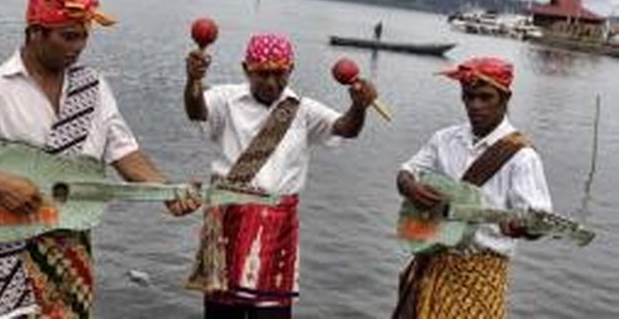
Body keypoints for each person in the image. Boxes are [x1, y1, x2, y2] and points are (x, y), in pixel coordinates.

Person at [0, 0, 200, 318]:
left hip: (71, 251)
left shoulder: (92, 88)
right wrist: (0, 183)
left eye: (83, 37)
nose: (78, 47)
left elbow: (124, 152)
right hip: (6, 249)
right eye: (68, 36)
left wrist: (166, 189)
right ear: (35, 31)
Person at [184, 33, 378, 319]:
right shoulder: (225, 99)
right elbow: (196, 110)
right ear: (245, 69)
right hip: (229, 220)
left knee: (273, 312)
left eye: (279, 74)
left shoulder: (302, 110)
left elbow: (346, 128)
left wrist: (359, 107)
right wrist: (193, 81)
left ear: (291, 70)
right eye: (263, 74)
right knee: (222, 311)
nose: (272, 82)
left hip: (278, 226)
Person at [392, 57, 552, 319]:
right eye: (468, 97)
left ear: (505, 98)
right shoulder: (445, 139)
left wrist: (523, 228)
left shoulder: (522, 157)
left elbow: (538, 222)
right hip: (432, 258)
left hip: (481, 272)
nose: (475, 105)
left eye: (485, 97)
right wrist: (409, 187)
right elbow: (407, 171)